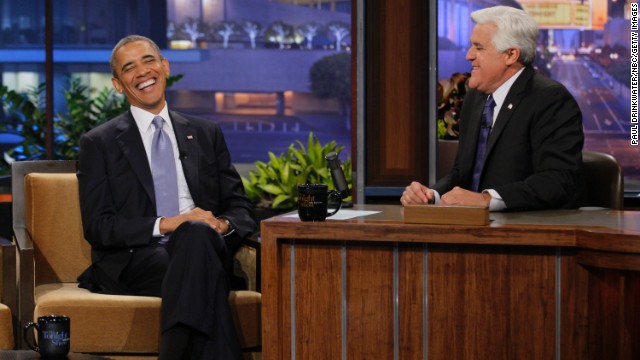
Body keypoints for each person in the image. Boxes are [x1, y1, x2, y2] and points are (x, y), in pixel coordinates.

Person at [76, 34, 257, 359]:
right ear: (118, 84)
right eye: (129, 68)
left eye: (149, 61)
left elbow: (240, 207)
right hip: (139, 257)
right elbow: (99, 226)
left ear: (165, 66)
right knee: (198, 258)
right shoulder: (99, 143)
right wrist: (173, 223)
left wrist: (219, 225)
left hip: (204, 245)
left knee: (197, 238)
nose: (143, 72)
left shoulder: (204, 133)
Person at [401, 6, 585, 211]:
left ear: (511, 55)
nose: (469, 55)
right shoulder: (475, 98)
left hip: (523, 231)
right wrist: (431, 196)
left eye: (479, 48)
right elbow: (461, 173)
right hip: (469, 227)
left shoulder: (550, 99)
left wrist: (487, 200)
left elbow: (559, 180)